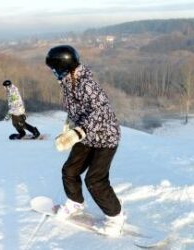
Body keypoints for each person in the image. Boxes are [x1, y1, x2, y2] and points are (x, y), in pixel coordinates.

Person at [45, 45, 124, 237]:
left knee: (95, 180)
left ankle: (115, 218)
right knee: (70, 170)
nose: (53, 73)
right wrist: (68, 129)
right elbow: (76, 111)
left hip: (106, 137)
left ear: (64, 67)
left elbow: (101, 113)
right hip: (87, 136)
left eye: (54, 69)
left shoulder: (86, 84)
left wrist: (78, 133)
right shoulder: (68, 82)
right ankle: (75, 203)